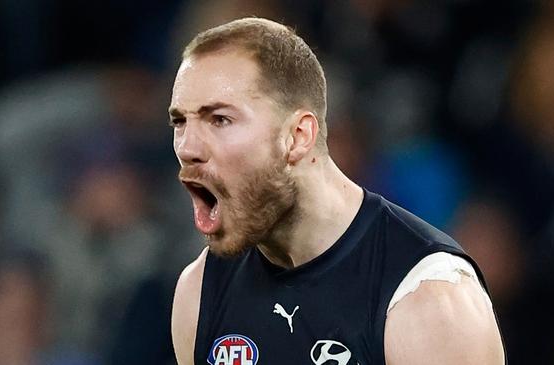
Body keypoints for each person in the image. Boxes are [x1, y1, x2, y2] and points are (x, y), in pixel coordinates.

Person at [169, 18, 505, 365]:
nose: (187, 147)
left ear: (298, 136)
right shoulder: (200, 291)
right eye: (180, 122)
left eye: (220, 119)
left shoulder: (428, 299)